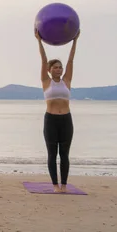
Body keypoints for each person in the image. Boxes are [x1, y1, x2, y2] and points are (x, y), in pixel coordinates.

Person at [35, 28, 80, 193]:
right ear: (49, 70)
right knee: (52, 154)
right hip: (51, 120)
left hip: (66, 120)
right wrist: (39, 41)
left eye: (60, 67)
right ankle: (55, 185)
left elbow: (71, 61)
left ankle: (65, 185)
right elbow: (43, 59)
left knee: (65, 155)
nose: (59, 69)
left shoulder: (66, 81)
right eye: (55, 67)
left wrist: (75, 41)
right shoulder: (46, 81)